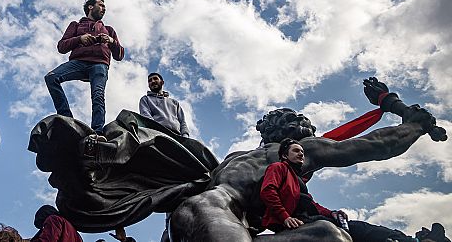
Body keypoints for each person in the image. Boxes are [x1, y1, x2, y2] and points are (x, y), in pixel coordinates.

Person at [168, 79, 447, 242]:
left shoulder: (233, 160)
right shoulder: (299, 150)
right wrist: (414, 126)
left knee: (324, 233)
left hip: (191, 216)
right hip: (217, 219)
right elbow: (376, 145)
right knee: (330, 236)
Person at [261, 139, 417, 241]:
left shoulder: (297, 179)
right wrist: (285, 217)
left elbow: (311, 204)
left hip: (309, 217)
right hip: (297, 221)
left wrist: (332, 213)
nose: (301, 153)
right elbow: (268, 191)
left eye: (302, 151)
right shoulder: (278, 167)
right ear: (284, 155)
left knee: (360, 228)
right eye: (296, 150)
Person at [45, 0, 124, 135]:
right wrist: (79, 39)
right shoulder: (75, 25)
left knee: (98, 95)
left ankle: (97, 132)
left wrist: (111, 41)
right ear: (90, 7)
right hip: (79, 62)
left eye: (105, 6)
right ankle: (67, 118)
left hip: (99, 65)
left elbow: (120, 55)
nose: (104, 8)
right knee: (51, 77)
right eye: (101, 5)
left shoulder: (109, 29)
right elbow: (61, 47)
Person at [139, 73, 189, 137]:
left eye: (155, 78)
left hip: (177, 136)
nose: (152, 81)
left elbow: (182, 122)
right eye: (150, 80)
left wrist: (185, 136)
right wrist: (158, 132)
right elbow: (146, 117)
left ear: (162, 82)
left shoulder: (174, 103)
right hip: (157, 134)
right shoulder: (145, 99)